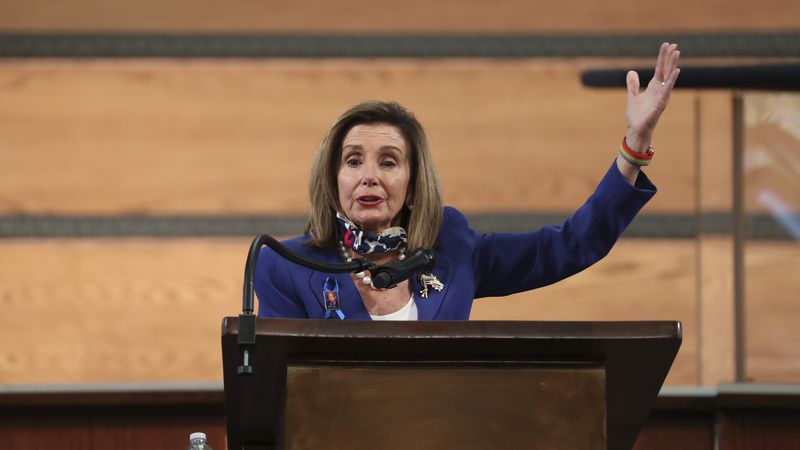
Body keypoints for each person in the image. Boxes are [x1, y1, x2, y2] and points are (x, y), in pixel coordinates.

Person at [255, 43, 681, 320]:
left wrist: (634, 145)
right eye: (353, 161)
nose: (370, 176)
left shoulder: (452, 248)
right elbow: (281, 392)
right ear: (332, 179)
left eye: (388, 162)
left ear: (413, 183)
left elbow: (571, 245)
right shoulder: (286, 266)